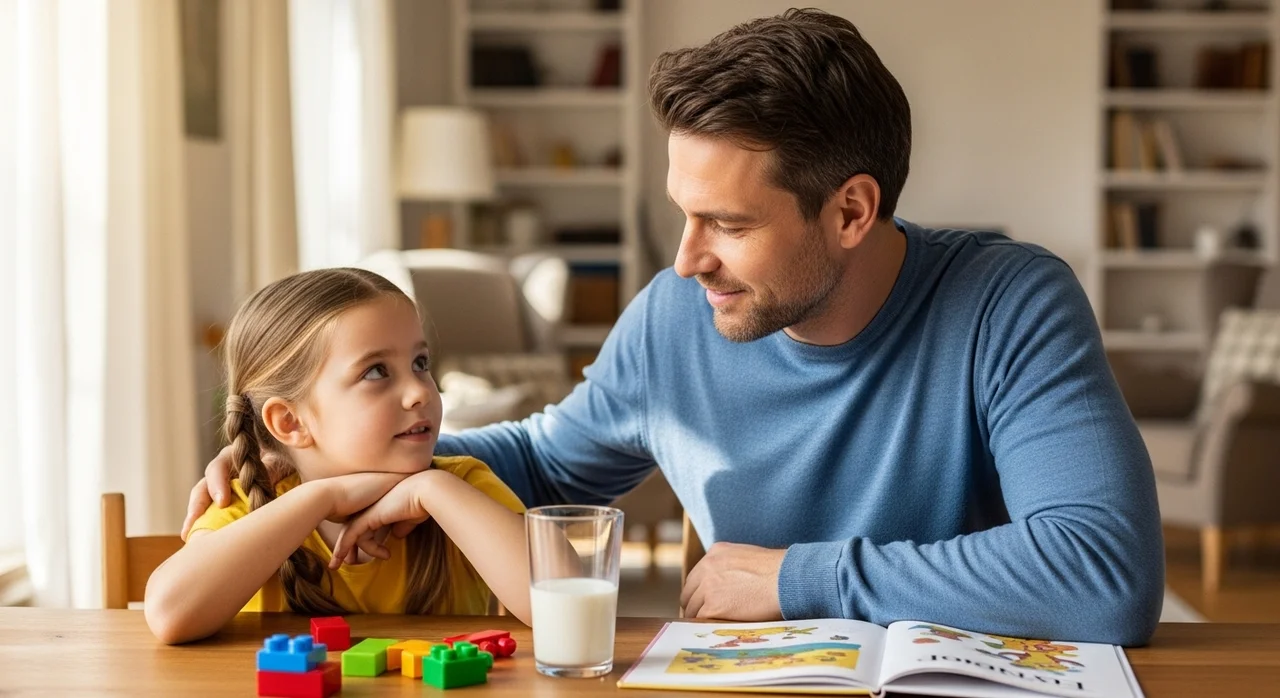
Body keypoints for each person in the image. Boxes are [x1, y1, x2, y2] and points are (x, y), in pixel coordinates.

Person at [186, 9, 1163, 645]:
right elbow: (543, 460)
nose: (685, 257)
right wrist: (325, 472)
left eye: (727, 225)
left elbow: (1098, 570)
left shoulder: (1010, 302)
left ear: (850, 211)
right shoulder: (673, 315)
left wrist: (795, 577)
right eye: (681, 213)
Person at [148, 268, 532, 644]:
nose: (420, 392)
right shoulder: (248, 507)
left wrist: (433, 489)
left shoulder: (462, 487)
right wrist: (322, 498)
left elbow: (568, 605)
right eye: (377, 371)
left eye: (420, 363)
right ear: (290, 422)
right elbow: (169, 615)